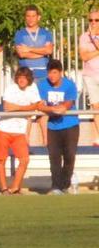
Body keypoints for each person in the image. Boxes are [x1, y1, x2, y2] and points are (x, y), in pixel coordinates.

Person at [0, 67, 40, 195]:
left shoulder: (33, 88)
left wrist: (19, 109)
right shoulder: (10, 88)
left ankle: (15, 187)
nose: (21, 80)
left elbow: (37, 106)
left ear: (28, 79)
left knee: (24, 160)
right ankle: (3, 188)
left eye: (24, 77)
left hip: (20, 131)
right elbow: (7, 107)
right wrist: (27, 108)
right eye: (19, 77)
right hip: (3, 129)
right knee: (1, 160)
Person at [37, 59, 79, 194]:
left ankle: (65, 183)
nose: (52, 76)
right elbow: (40, 104)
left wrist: (62, 107)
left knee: (69, 156)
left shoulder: (69, 84)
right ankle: (55, 186)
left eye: (55, 72)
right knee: (54, 157)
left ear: (60, 73)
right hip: (52, 126)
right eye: (50, 73)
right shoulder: (42, 85)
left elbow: (69, 103)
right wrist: (51, 109)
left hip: (70, 125)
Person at [15, 5, 55, 144]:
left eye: (33, 16)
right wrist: (40, 51)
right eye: (28, 16)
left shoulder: (46, 33)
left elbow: (49, 51)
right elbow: (21, 53)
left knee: (43, 108)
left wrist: (30, 50)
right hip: (27, 76)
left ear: (38, 17)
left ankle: (46, 142)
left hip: (43, 74)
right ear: (25, 17)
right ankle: (25, 141)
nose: (30, 18)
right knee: (27, 108)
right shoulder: (20, 34)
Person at [77, 9, 99, 146]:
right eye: (90, 20)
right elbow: (84, 56)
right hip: (90, 74)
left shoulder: (90, 37)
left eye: (97, 20)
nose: (93, 23)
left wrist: (94, 38)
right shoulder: (84, 37)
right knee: (96, 105)